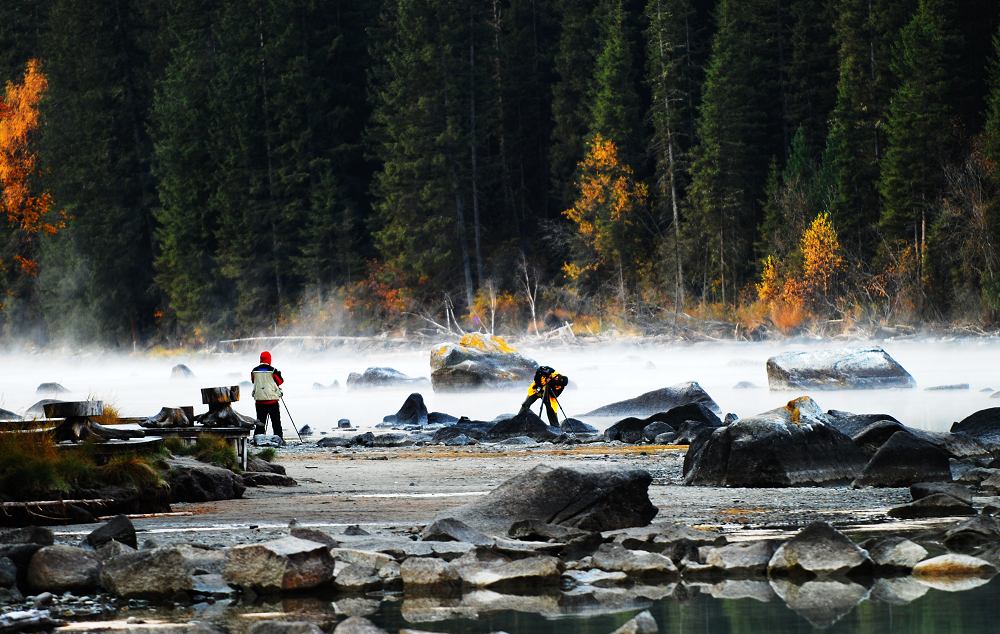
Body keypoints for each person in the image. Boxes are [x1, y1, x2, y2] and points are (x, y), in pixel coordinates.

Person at [251, 351, 284, 438]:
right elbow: (280, 381)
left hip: (259, 400)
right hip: (272, 400)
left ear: (260, 359)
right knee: (276, 422)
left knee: (260, 422)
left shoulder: (254, 370)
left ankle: (258, 439)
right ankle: (278, 438)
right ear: (269, 359)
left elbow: (253, 381)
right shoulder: (273, 370)